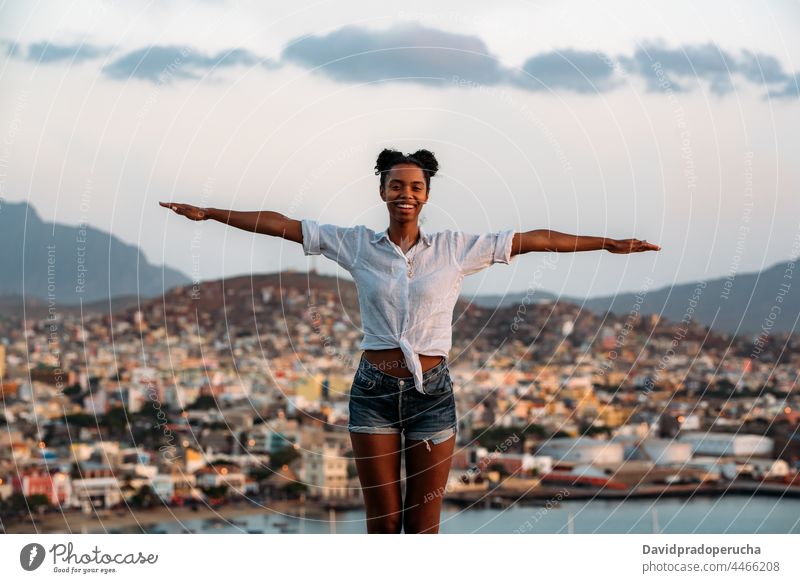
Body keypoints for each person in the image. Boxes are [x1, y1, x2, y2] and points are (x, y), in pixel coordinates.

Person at [160, 147, 660, 533]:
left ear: (426, 195)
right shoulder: (356, 244)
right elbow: (283, 226)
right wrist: (209, 212)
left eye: (416, 186)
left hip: (432, 394)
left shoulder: (456, 249)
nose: (406, 193)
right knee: (383, 527)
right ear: (383, 191)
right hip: (373, 391)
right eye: (396, 185)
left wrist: (608, 243)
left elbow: (534, 240)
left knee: (423, 529)